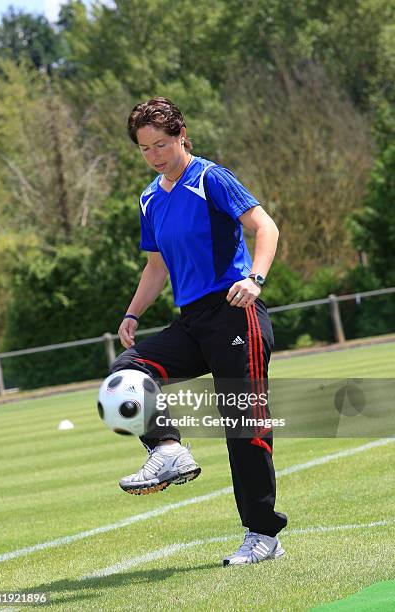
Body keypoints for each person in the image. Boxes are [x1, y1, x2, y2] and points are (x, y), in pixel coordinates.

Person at [110, 97, 287, 566]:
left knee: (242, 427)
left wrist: (256, 278)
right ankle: (168, 447)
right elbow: (156, 266)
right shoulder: (150, 198)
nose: (155, 156)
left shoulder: (211, 179)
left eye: (162, 144)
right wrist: (132, 315)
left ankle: (263, 535)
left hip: (235, 311)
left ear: (182, 135)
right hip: (191, 321)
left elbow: (263, 226)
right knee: (126, 374)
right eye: (145, 148)